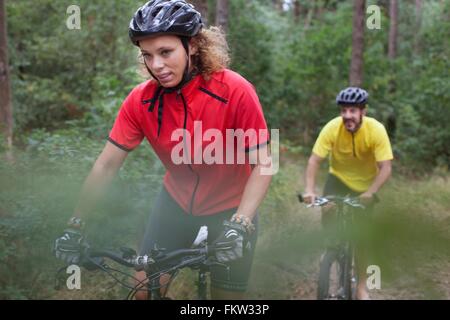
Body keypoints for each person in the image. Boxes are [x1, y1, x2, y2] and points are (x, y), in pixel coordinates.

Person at [54, 0, 272, 300]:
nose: (156, 65)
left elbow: (263, 164)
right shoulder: (141, 100)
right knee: (143, 292)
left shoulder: (235, 90)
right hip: (175, 205)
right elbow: (106, 166)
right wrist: (75, 225)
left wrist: (241, 223)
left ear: (192, 45)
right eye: (147, 55)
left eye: (165, 52)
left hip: (230, 210)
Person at [302, 87, 393, 300]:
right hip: (339, 180)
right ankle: (331, 246)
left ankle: (362, 286)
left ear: (363, 111)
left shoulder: (376, 130)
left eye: (352, 110)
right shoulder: (333, 128)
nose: (347, 116)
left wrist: (371, 192)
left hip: (365, 187)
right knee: (327, 207)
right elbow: (314, 161)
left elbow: (386, 168)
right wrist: (309, 189)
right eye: (343, 110)